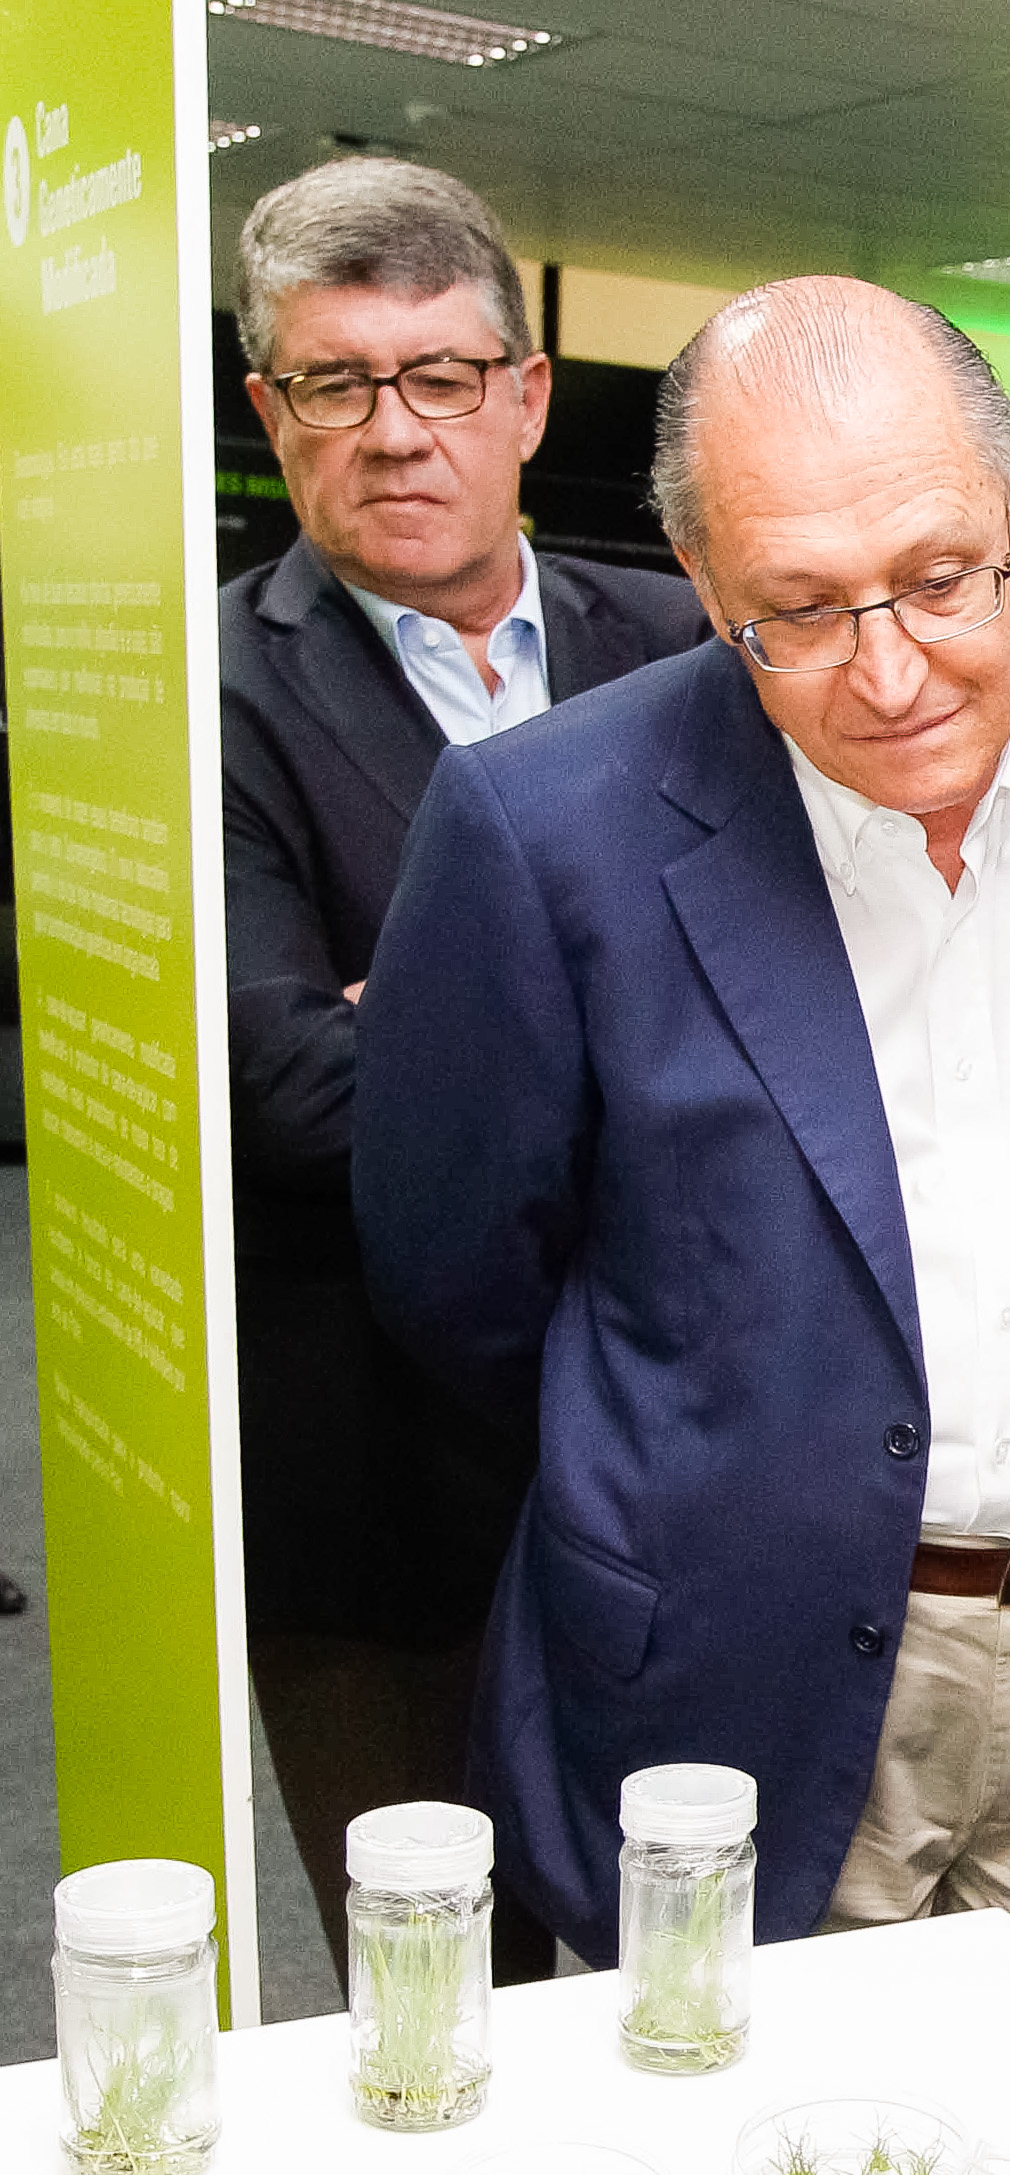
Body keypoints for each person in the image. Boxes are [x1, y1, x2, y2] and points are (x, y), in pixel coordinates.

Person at [356, 276, 1010, 2041]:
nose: (894, 666)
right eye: (801, 610)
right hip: (738, 1670)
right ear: (706, 589)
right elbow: (459, 1277)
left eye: (941, 578)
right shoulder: (544, 830)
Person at [218, 156, 707, 1980]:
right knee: (440, 2002)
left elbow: (819, 1012)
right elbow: (296, 1095)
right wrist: (649, 1028)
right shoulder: (206, 699)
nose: (393, 431)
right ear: (272, 415)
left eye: (438, 376)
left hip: (676, 1467)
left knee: (701, 1957)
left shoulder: (676, 649)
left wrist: (414, 1012)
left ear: (526, 401)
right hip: (385, 1504)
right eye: (337, 384)